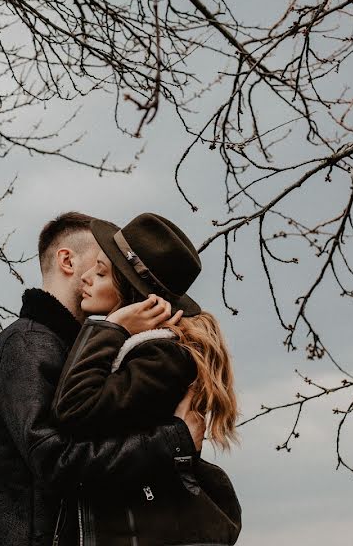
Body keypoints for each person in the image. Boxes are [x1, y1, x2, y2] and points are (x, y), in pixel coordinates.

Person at [0, 212, 205, 546]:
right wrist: (171, 442)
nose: (105, 270)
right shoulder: (27, 345)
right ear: (67, 260)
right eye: (101, 262)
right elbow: (54, 462)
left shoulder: (91, 352)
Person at [52, 212, 241, 545]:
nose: (86, 278)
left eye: (101, 272)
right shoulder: (142, 353)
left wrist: (111, 327)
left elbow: (74, 408)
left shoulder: (162, 359)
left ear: (133, 293)